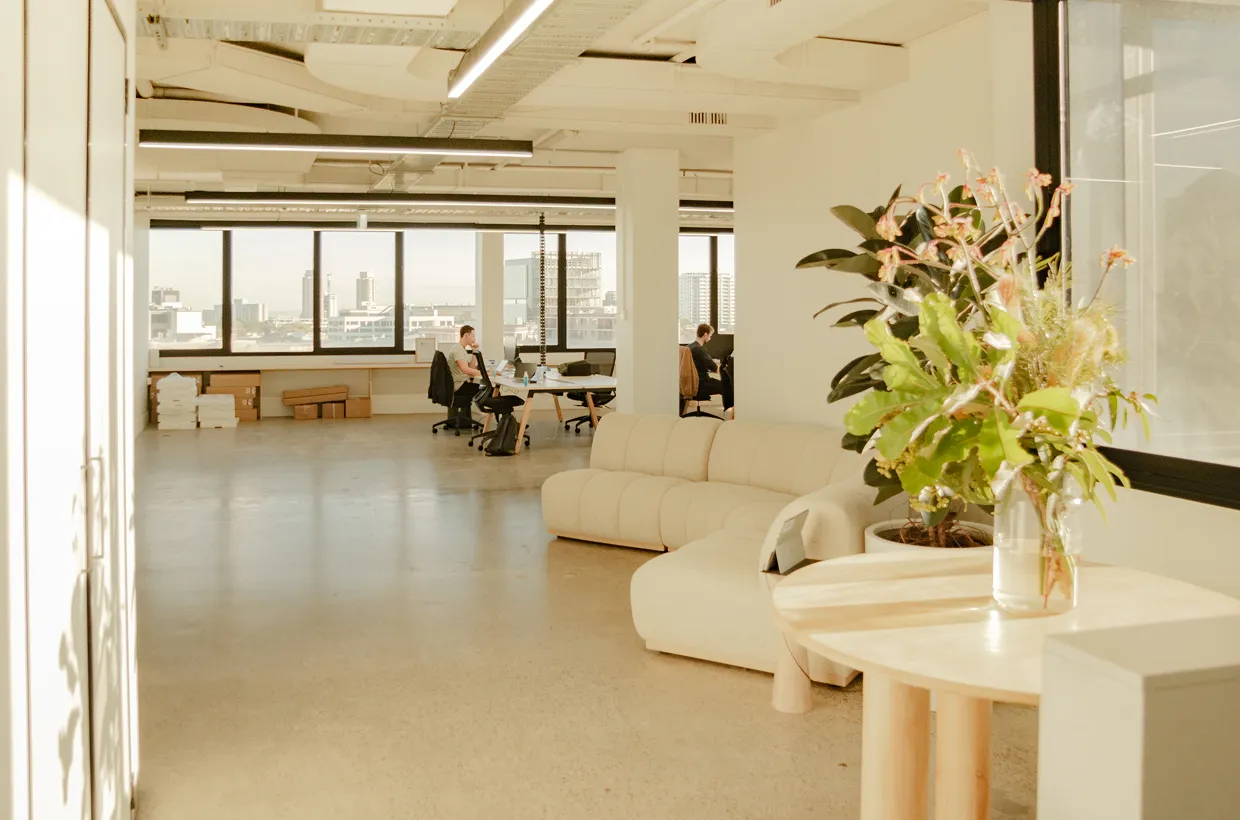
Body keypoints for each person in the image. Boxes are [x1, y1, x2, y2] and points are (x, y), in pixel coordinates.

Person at [688, 323, 733, 410]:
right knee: (728, 386)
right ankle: (731, 412)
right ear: (705, 335)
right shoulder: (699, 349)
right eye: (710, 336)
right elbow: (715, 368)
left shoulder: (689, 347)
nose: (710, 338)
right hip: (702, 384)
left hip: (692, 383)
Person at [447, 325, 483, 401]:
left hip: (462, 384)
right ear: (466, 335)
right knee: (489, 391)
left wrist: (473, 351)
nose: (474, 339)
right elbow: (465, 370)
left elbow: (471, 369)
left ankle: (488, 412)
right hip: (459, 386)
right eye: (473, 336)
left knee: (488, 390)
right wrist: (484, 373)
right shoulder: (457, 349)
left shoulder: (462, 349)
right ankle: (489, 412)